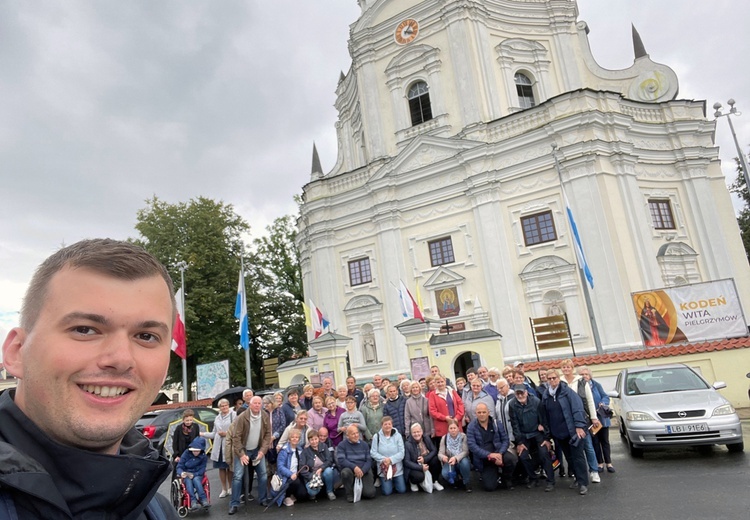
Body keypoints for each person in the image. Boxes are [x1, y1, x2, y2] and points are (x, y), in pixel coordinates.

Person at [0, 238, 179, 518]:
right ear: (17, 353)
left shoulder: (158, 511)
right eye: (85, 329)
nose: (121, 359)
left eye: (146, 336)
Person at [540, 368, 590, 495]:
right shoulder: (546, 395)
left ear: (558, 378)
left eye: (554, 378)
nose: (552, 380)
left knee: (578, 458)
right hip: (559, 433)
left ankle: (583, 483)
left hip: (573, 432)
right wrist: (548, 435)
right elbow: (545, 416)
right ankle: (577, 479)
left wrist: (579, 426)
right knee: (569, 458)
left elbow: (578, 409)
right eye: (549, 378)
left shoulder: (568, 392)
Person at [229, 395, 272, 514]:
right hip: (242, 450)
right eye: (255, 403)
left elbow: (268, 434)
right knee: (237, 476)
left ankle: (263, 499)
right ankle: (234, 504)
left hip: (257, 449)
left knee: (263, 474)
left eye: (259, 403)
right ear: (249, 405)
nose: (257, 405)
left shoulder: (265, 416)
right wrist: (242, 454)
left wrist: (262, 451)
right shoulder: (242, 417)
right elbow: (236, 437)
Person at [560, 359, 600, 484]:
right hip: (567, 420)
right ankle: (578, 474)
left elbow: (590, 400)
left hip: (582, 418)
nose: (566, 369)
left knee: (588, 445)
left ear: (572, 368)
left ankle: (594, 471)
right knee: (574, 449)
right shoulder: (560, 382)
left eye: (568, 367)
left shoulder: (582, 382)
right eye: (564, 367)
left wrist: (593, 417)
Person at [508, 385, 554, 491]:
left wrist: (547, 438)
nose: (520, 395)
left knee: (544, 454)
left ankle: (551, 481)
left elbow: (544, 420)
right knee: (523, 456)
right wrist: (519, 442)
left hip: (537, 433)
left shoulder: (537, 402)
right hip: (524, 435)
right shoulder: (512, 404)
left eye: (522, 393)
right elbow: (515, 425)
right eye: (517, 393)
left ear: (526, 392)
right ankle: (533, 478)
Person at [466, 403, 517, 492]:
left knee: (511, 459)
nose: (482, 414)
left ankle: (506, 478)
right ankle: (492, 475)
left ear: (488, 412)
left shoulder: (497, 423)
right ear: (476, 413)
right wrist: (490, 455)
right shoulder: (471, 427)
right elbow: (472, 446)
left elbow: (505, 440)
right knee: (490, 487)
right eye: (479, 412)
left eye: (484, 412)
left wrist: (500, 454)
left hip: (498, 452)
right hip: (484, 459)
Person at [578, 366, 614, 473]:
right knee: (595, 442)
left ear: (590, 375)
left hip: (601, 419)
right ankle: (600, 463)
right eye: (582, 374)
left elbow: (605, 396)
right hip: (591, 420)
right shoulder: (580, 387)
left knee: (605, 441)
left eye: (586, 374)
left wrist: (603, 402)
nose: (584, 376)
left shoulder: (596, 385)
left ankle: (609, 463)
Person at [201, 398, 236, 498]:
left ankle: (230, 487)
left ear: (228, 406)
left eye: (226, 405)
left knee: (229, 467)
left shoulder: (233, 415)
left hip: (228, 444)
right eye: (222, 406)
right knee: (221, 468)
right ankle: (223, 489)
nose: (224, 407)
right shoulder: (217, 418)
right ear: (219, 407)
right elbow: (214, 433)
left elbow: (237, 430)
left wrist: (226, 434)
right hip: (218, 446)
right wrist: (203, 434)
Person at [337, 424, 377, 502]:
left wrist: (363, 470)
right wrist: (354, 467)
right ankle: (349, 493)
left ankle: (360, 489)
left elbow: (369, 460)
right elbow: (341, 460)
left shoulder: (364, 444)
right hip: (350, 469)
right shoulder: (342, 445)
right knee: (345, 472)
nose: (356, 435)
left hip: (363, 470)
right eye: (353, 434)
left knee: (370, 494)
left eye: (357, 433)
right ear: (347, 435)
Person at [370, 416, 406, 495]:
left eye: (389, 424)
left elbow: (402, 453)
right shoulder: (377, 436)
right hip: (384, 468)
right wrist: (384, 459)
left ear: (392, 425)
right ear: (381, 426)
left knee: (402, 490)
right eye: (385, 424)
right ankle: (389, 483)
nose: (387, 426)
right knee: (387, 492)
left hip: (397, 468)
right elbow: (373, 452)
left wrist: (391, 460)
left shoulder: (398, 436)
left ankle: (394, 481)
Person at [403, 423, 443, 493]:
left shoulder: (426, 438)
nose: (416, 434)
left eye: (418, 432)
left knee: (436, 460)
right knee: (419, 476)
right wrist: (421, 467)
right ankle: (413, 482)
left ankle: (434, 481)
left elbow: (434, 450)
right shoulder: (407, 443)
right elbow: (406, 462)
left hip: (425, 461)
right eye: (414, 432)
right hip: (414, 465)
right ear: (411, 433)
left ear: (421, 431)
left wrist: (425, 459)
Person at [300, 429, 338, 501]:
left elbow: (329, 460)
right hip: (312, 475)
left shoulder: (324, 446)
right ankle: (317, 491)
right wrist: (311, 476)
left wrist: (321, 468)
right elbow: (302, 468)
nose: (314, 442)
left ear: (318, 439)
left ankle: (329, 491)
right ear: (309, 441)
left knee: (329, 471)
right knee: (312, 492)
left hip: (322, 473)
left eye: (315, 439)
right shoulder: (305, 452)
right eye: (311, 440)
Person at [428, 375, 465, 448]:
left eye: (442, 381)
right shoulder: (433, 395)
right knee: (445, 449)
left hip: (456, 424)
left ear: (445, 382)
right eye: (438, 382)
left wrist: (457, 417)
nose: (440, 384)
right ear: (435, 383)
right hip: (442, 427)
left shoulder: (452, 391)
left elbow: (460, 404)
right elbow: (432, 411)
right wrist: (445, 418)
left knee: (460, 448)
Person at [274, 428, 308, 507]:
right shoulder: (284, 450)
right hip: (286, 477)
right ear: (289, 439)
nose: (294, 439)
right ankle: (286, 496)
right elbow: (280, 466)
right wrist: (290, 474)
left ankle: (293, 495)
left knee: (303, 495)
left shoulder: (300, 449)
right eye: (292, 437)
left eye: (296, 437)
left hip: (297, 475)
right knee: (295, 481)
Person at [176, 437, 211, 511]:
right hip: (187, 473)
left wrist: (195, 474)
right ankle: (193, 501)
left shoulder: (203, 457)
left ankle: (203, 499)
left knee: (196, 480)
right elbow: (179, 466)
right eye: (193, 451)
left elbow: (202, 468)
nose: (195, 452)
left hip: (197, 474)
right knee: (188, 481)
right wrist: (182, 473)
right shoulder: (186, 453)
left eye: (197, 451)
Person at [438, 419, 472, 492]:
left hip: (461, 459)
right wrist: (443, 457)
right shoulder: (444, 438)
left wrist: (456, 458)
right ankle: (456, 480)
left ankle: (466, 482)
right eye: (451, 428)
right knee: (445, 473)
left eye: (454, 428)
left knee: (465, 463)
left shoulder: (463, 436)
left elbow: (465, 451)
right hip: (450, 461)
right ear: (448, 429)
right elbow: (440, 453)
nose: (453, 430)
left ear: (458, 428)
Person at [172, 409, 201, 475]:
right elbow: (175, 443)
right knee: (180, 472)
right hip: (181, 454)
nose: (189, 422)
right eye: (187, 420)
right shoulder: (179, 428)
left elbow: (197, 440)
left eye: (191, 420)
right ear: (183, 420)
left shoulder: (195, 427)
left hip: (192, 453)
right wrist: (176, 455)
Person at [263, 394, 287, 470]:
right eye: (264, 403)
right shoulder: (262, 413)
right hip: (265, 443)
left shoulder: (279, 411)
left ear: (272, 403)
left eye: (267, 403)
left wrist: (273, 437)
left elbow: (283, 425)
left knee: (278, 466)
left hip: (277, 441)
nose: (265, 405)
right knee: (267, 469)